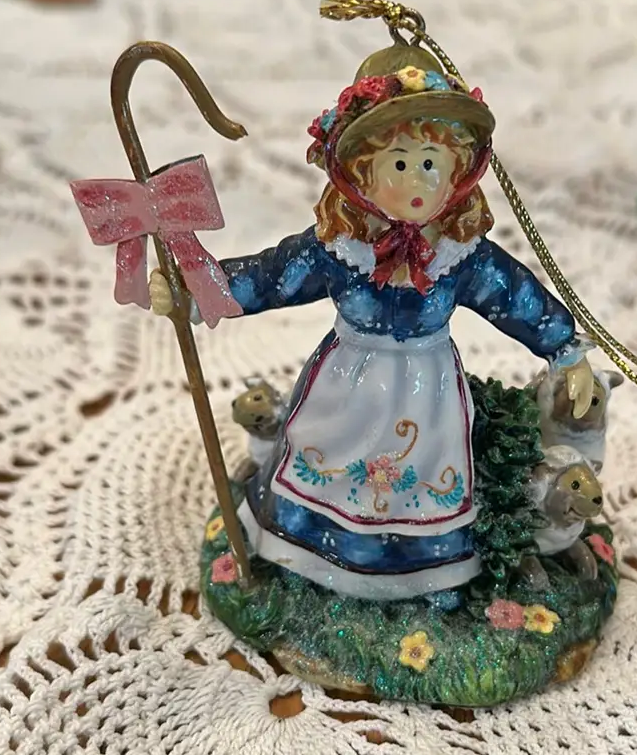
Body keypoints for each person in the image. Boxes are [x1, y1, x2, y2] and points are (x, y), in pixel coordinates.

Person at [149, 43, 596, 600]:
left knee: (426, 479)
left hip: (427, 392)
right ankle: (312, 553)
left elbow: (515, 295)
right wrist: (195, 291)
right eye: (400, 164)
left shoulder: (460, 254)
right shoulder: (340, 248)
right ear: (362, 173)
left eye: (430, 164)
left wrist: (564, 349)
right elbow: (270, 277)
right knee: (326, 461)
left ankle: (428, 570)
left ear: (457, 171)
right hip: (347, 386)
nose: (417, 182)